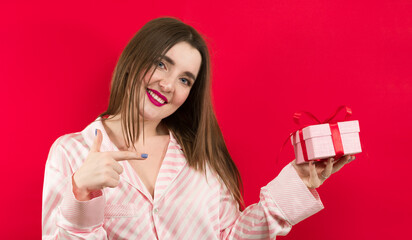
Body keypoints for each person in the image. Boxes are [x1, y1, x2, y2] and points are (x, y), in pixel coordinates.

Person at [42, 17, 354, 239]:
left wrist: (298, 181)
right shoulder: (71, 153)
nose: (167, 84)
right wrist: (82, 195)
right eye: (162, 64)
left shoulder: (201, 156)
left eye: (184, 79)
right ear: (134, 60)